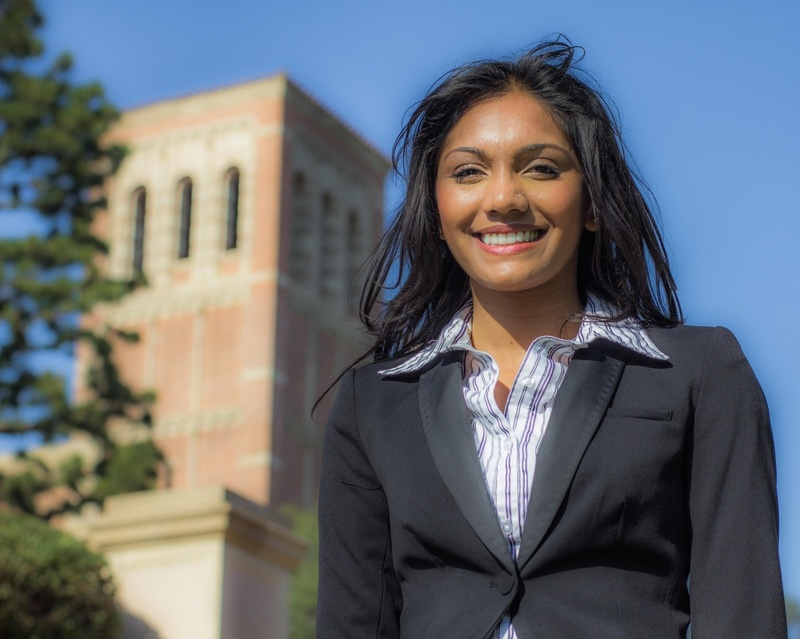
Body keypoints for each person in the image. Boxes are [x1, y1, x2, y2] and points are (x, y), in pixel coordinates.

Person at [316, 39, 787, 639]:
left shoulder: (700, 372)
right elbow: (352, 622)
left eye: (541, 168)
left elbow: (742, 612)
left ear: (591, 200)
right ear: (436, 210)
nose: (504, 198)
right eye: (468, 172)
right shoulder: (373, 403)